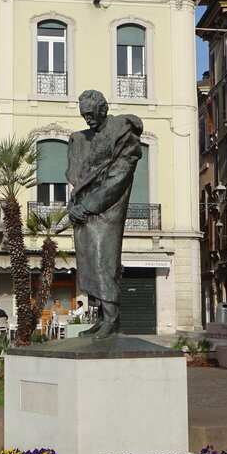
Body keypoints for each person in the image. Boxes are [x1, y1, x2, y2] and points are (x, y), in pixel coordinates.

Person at [67, 89, 143, 339]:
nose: (87, 120)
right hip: (84, 212)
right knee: (88, 263)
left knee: (103, 261)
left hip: (106, 209)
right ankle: (102, 319)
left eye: (90, 114)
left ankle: (112, 318)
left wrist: (88, 206)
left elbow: (118, 178)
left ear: (103, 109)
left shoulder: (123, 134)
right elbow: (76, 178)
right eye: (83, 115)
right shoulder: (81, 139)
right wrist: (74, 205)